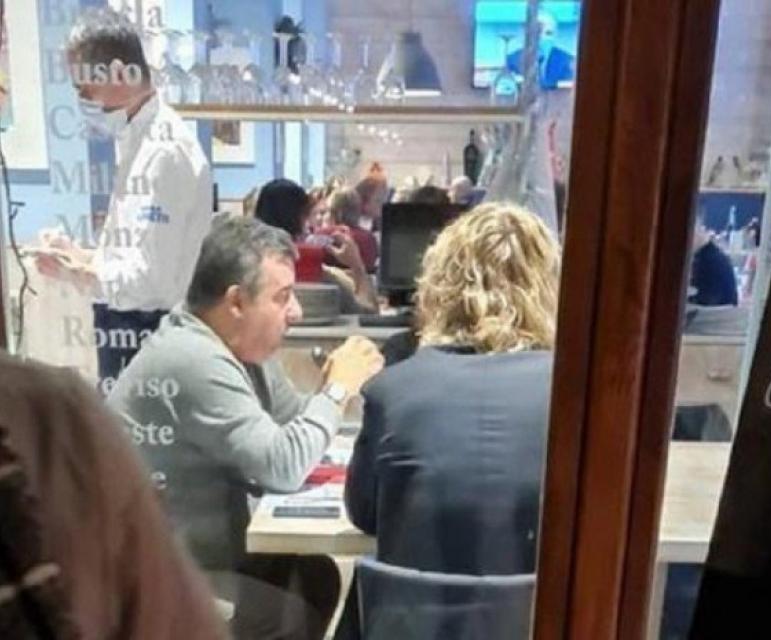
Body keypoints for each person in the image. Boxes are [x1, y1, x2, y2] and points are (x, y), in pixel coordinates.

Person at [107, 217, 384, 638]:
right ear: (236, 302)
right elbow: (282, 465)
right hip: (158, 581)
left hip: (206, 558)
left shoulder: (238, 347)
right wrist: (336, 390)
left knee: (314, 575)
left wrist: (342, 394)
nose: (296, 312)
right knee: (286, 612)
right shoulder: (192, 357)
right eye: (283, 297)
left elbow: (294, 420)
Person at [335, 202, 560, 638]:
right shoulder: (575, 395)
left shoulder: (392, 390)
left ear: (439, 285)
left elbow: (364, 514)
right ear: (549, 288)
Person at [36, 8, 213, 385]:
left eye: (85, 88)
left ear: (118, 73)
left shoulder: (165, 152)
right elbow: (133, 256)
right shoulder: (136, 140)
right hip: (129, 331)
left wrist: (75, 272)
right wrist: (79, 255)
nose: (84, 99)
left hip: (150, 337)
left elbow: (151, 283)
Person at [0, 353, 227, 639]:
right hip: (215, 557)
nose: (289, 317)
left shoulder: (51, 412)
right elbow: (274, 461)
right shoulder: (50, 412)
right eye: (278, 306)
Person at [255, 179, 379, 314]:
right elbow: (368, 313)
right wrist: (357, 266)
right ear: (301, 218)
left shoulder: (247, 273)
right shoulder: (325, 280)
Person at [506, 10, 575, 90]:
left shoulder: (567, 62)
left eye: (548, 33)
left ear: (555, 36)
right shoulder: (512, 60)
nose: (542, 38)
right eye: (537, 33)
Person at [325, 187, 379, 272]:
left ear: (338, 213)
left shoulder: (327, 236)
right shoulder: (370, 238)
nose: (325, 216)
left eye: (327, 211)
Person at [689, 218, 739, 306]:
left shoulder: (708, 259)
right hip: (724, 308)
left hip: (716, 310)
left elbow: (708, 298)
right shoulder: (713, 255)